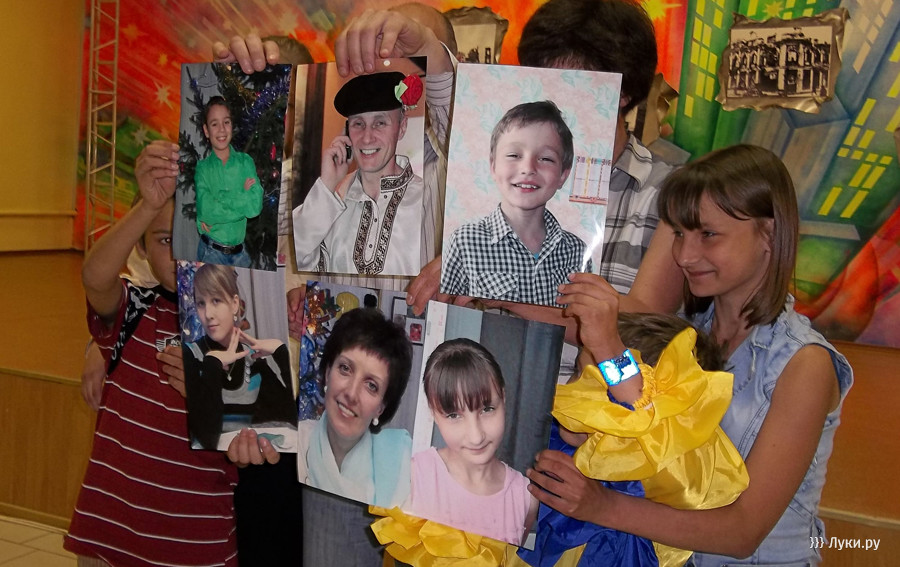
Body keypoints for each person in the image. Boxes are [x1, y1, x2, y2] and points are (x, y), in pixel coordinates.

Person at [529, 144, 853, 565]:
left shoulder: (804, 364)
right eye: (680, 234)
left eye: (708, 235)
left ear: (769, 235)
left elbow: (742, 532)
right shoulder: (682, 331)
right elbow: (631, 402)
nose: (684, 256)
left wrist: (601, 507)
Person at [407, 0, 684, 326]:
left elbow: (647, 324)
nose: (554, 94)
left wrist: (498, 283)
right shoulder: (499, 175)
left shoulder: (669, 192)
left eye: (572, 80)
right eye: (543, 77)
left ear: (621, 93)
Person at [64, 140, 239, 566]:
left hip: (195, 542)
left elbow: (252, 436)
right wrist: (148, 206)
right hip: (109, 536)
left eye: (196, 238)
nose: (181, 255)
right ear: (141, 249)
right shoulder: (137, 308)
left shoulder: (243, 335)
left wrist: (210, 395)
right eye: (165, 240)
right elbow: (95, 278)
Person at [441, 101, 592, 306]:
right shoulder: (464, 242)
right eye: (514, 155)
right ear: (493, 166)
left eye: (546, 158)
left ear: (563, 175)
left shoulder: (577, 252)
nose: (528, 168)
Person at [292, 70, 426, 276]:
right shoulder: (329, 203)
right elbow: (294, 260)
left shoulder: (425, 201)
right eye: (358, 124)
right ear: (347, 132)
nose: (367, 137)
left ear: (402, 127)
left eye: (380, 123)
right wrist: (327, 185)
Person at [406, 338, 539, 545]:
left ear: (503, 398)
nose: (476, 437)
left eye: (487, 409)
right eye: (454, 415)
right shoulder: (412, 478)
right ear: (433, 414)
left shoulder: (525, 497)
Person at [296, 307, 414, 507]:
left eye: (371, 386)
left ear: (381, 407)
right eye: (345, 368)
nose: (351, 393)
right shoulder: (294, 442)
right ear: (327, 373)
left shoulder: (404, 466)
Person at [183, 262, 297, 450]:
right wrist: (213, 364)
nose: (208, 314)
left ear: (234, 304)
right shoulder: (190, 355)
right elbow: (206, 439)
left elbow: (287, 424)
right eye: (201, 303)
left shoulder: (254, 359)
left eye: (216, 300)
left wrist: (280, 352)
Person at [195, 95, 263, 267]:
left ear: (232, 125)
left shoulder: (245, 162)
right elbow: (206, 210)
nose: (222, 130)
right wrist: (242, 194)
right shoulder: (202, 168)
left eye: (226, 122)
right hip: (210, 252)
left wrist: (219, 200)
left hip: (241, 256)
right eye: (214, 124)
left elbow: (254, 207)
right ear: (206, 131)